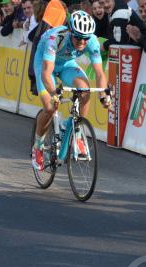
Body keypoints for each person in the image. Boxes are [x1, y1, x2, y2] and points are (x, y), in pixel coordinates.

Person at [31, 11, 111, 171]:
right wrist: (54, 93)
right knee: (50, 107)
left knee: (85, 90)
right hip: (45, 64)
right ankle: (38, 146)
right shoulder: (56, 38)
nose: (82, 42)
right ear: (70, 32)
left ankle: (76, 129)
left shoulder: (92, 41)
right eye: (78, 37)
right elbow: (46, 72)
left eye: (85, 38)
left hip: (66, 64)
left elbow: (100, 73)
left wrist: (103, 93)